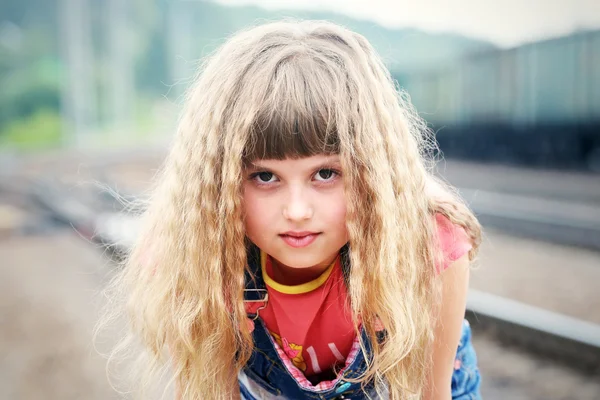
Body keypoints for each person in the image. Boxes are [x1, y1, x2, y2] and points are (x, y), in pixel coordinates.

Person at [105, 20, 483, 400]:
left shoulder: (429, 240)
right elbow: (206, 393)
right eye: (265, 177)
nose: (298, 210)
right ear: (219, 183)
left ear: (372, 170)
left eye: (325, 173)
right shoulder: (190, 251)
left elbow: (431, 395)